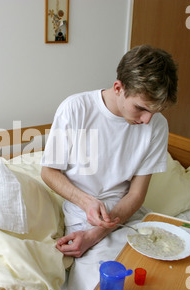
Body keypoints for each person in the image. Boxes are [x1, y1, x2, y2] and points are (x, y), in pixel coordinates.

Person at [40, 45, 178, 258]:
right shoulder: (76, 109)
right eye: (140, 108)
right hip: (82, 213)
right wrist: (87, 203)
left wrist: (96, 235)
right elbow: (48, 172)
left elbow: (136, 194)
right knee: (106, 282)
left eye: (155, 111)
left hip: (126, 214)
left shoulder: (157, 125)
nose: (147, 120)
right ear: (118, 88)